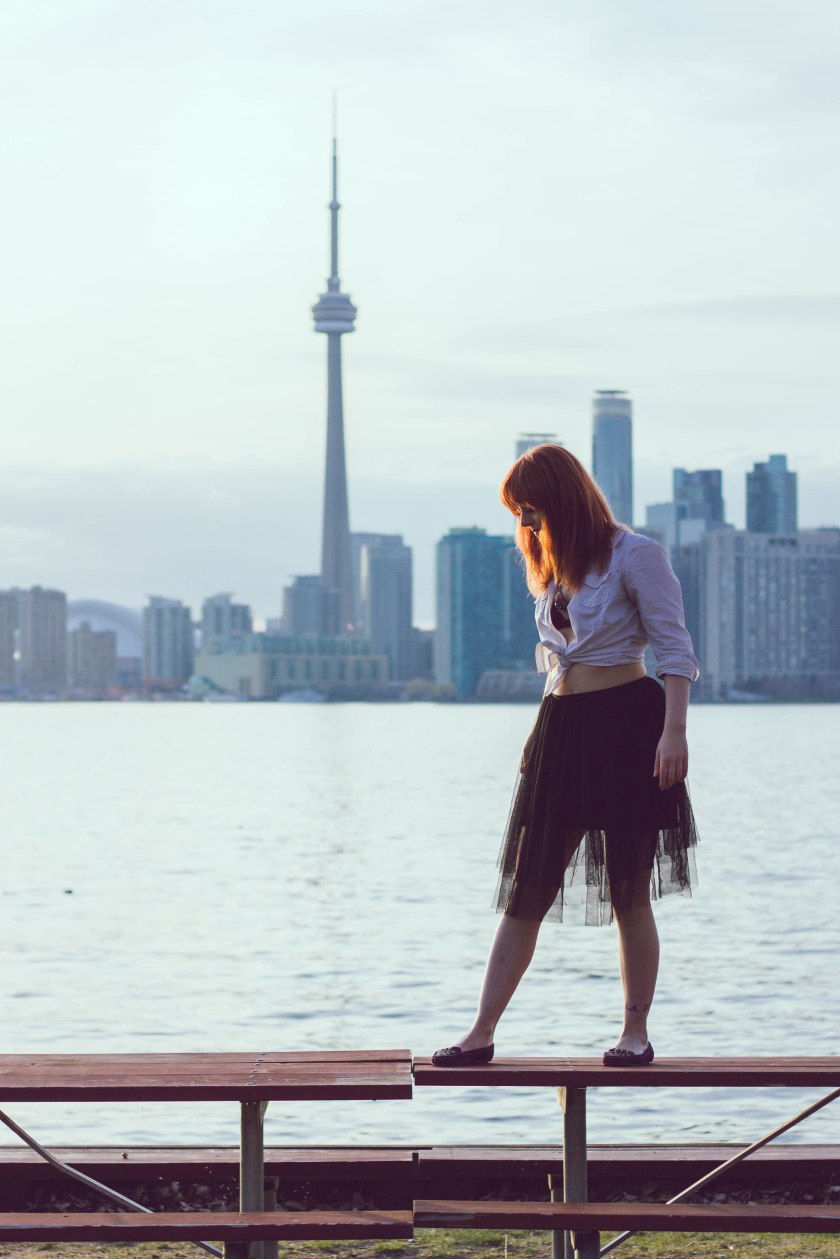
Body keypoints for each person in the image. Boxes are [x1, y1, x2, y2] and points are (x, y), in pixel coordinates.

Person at [432, 444, 700, 1069]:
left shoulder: (637, 555)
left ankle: (634, 1033)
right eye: (519, 512)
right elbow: (560, 663)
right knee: (527, 888)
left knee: (630, 890)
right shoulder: (552, 568)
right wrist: (537, 733)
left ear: (562, 500)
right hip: (562, 727)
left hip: (630, 727)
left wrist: (675, 732)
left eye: (531, 508)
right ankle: (480, 1033)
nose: (525, 523)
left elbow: (674, 648)